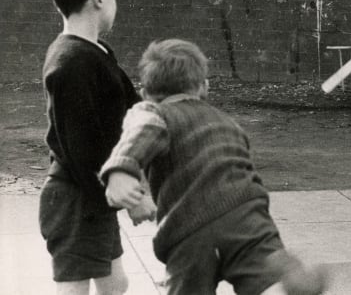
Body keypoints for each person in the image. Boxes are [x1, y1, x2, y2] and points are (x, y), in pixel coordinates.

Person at [99, 39, 328, 295]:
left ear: (145, 94)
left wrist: (121, 170)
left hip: (191, 228)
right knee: (260, 268)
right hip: (247, 215)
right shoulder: (228, 123)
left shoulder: (154, 112)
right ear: (204, 87)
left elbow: (141, 130)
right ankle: (277, 279)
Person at [39, 0, 156, 295]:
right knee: (74, 288)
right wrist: (130, 197)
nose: (116, 4)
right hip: (75, 196)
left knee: (114, 282)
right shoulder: (70, 63)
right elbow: (83, 151)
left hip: (90, 191)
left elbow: (132, 106)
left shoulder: (95, 51)